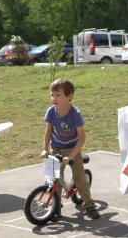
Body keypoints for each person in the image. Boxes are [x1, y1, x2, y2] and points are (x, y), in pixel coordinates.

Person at [41, 77, 100, 221]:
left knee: (80, 178)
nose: (54, 98)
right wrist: (44, 149)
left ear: (69, 96)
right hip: (56, 148)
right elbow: (48, 131)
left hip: (72, 149)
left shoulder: (75, 114)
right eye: (52, 95)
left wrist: (72, 155)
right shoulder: (51, 112)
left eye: (58, 95)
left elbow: (82, 138)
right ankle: (56, 207)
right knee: (55, 178)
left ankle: (89, 205)